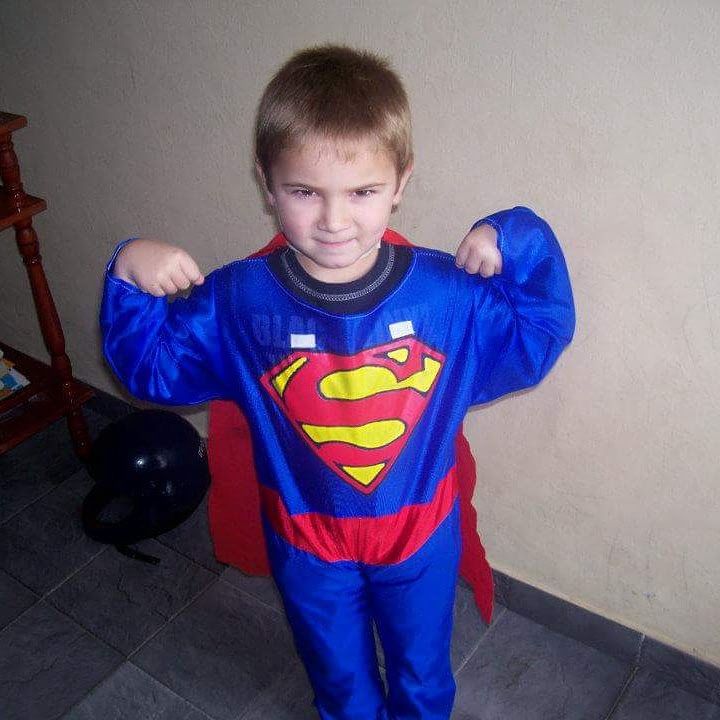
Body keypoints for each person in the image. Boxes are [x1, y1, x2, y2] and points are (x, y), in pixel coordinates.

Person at [101, 44, 575, 720]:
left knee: (422, 679)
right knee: (339, 683)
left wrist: (519, 236)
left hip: (419, 532)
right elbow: (151, 368)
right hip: (306, 540)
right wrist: (128, 273)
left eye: (362, 192)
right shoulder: (236, 302)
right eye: (304, 192)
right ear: (267, 184)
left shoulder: (449, 298)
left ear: (400, 182)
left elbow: (540, 332)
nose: (334, 221)